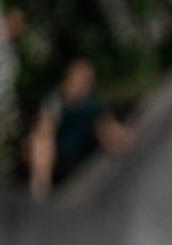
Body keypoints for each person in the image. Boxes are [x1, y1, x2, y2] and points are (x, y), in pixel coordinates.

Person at [24, 59, 130, 198]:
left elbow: (107, 123)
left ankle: (125, 172)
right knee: (40, 141)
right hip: (58, 156)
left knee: (106, 129)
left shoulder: (92, 102)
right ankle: (41, 189)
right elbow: (44, 128)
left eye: (83, 81)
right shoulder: (55, 99)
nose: (77, 84)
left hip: (83, 153)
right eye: (74, 79)